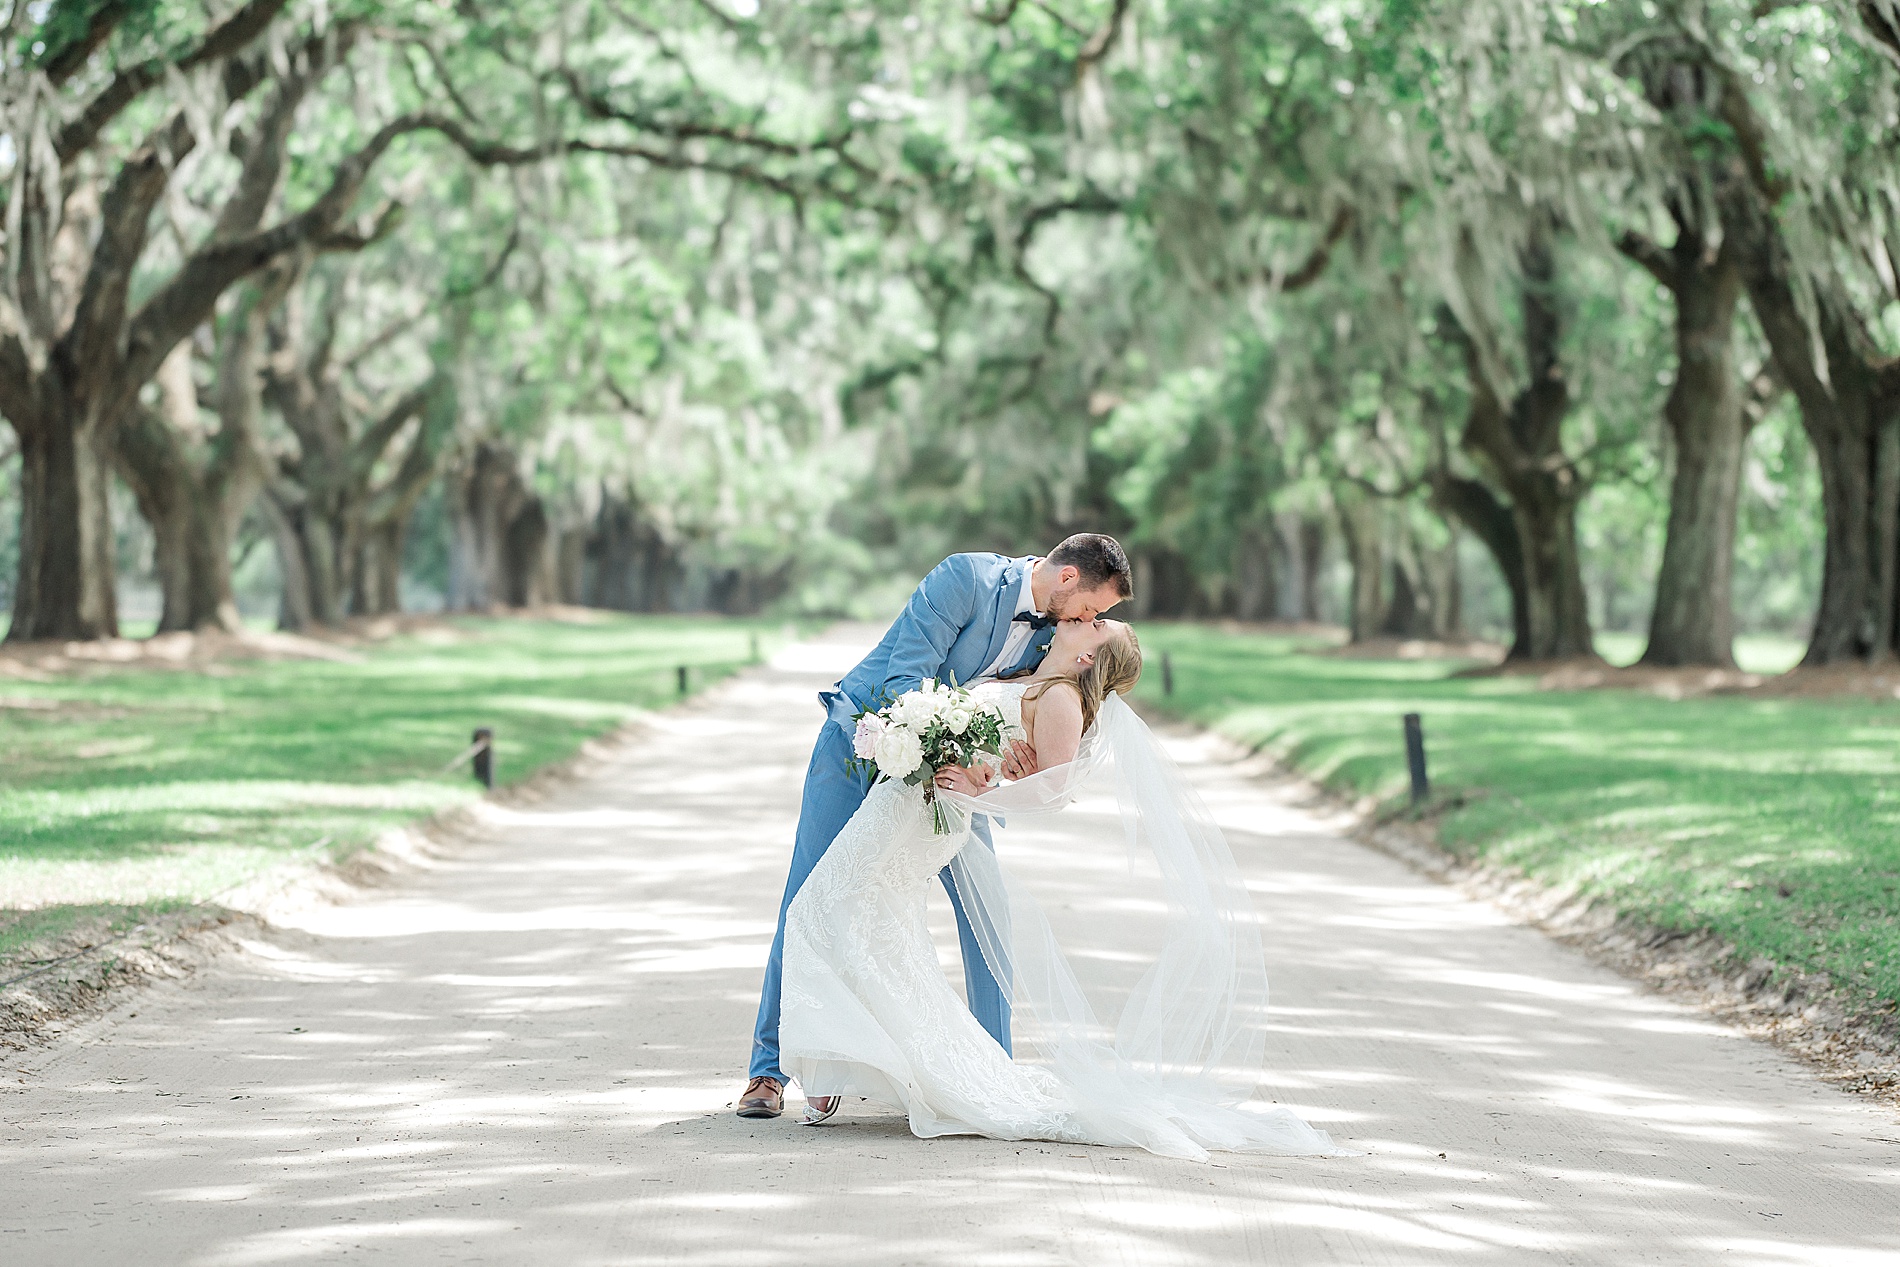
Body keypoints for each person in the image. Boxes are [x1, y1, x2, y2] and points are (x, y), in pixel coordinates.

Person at [776, 619, 1341, 1160]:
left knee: (822, 911)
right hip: (907, 802)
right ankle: (855, 1066)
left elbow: (1053, 790)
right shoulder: (1032, 676)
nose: (1089, 619)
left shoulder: (1062, 700)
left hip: (925, 817)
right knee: (871, 930)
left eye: (1099, 625)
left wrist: (978, 792)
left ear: (1090, 656)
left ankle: (845, 1067)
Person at [737, 534, 1134, 1120]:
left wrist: (1009, 764)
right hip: (861, 746)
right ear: (1070, 578)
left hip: (956, 787)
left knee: (987, 915)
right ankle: (767, 1072)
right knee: (810, 894)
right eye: (1094, 609)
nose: (1090, 620)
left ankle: (991, 1072)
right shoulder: (964, 580)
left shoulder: (1061, 635)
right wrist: (953, 753)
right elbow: (905, 681)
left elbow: (1043, 709)